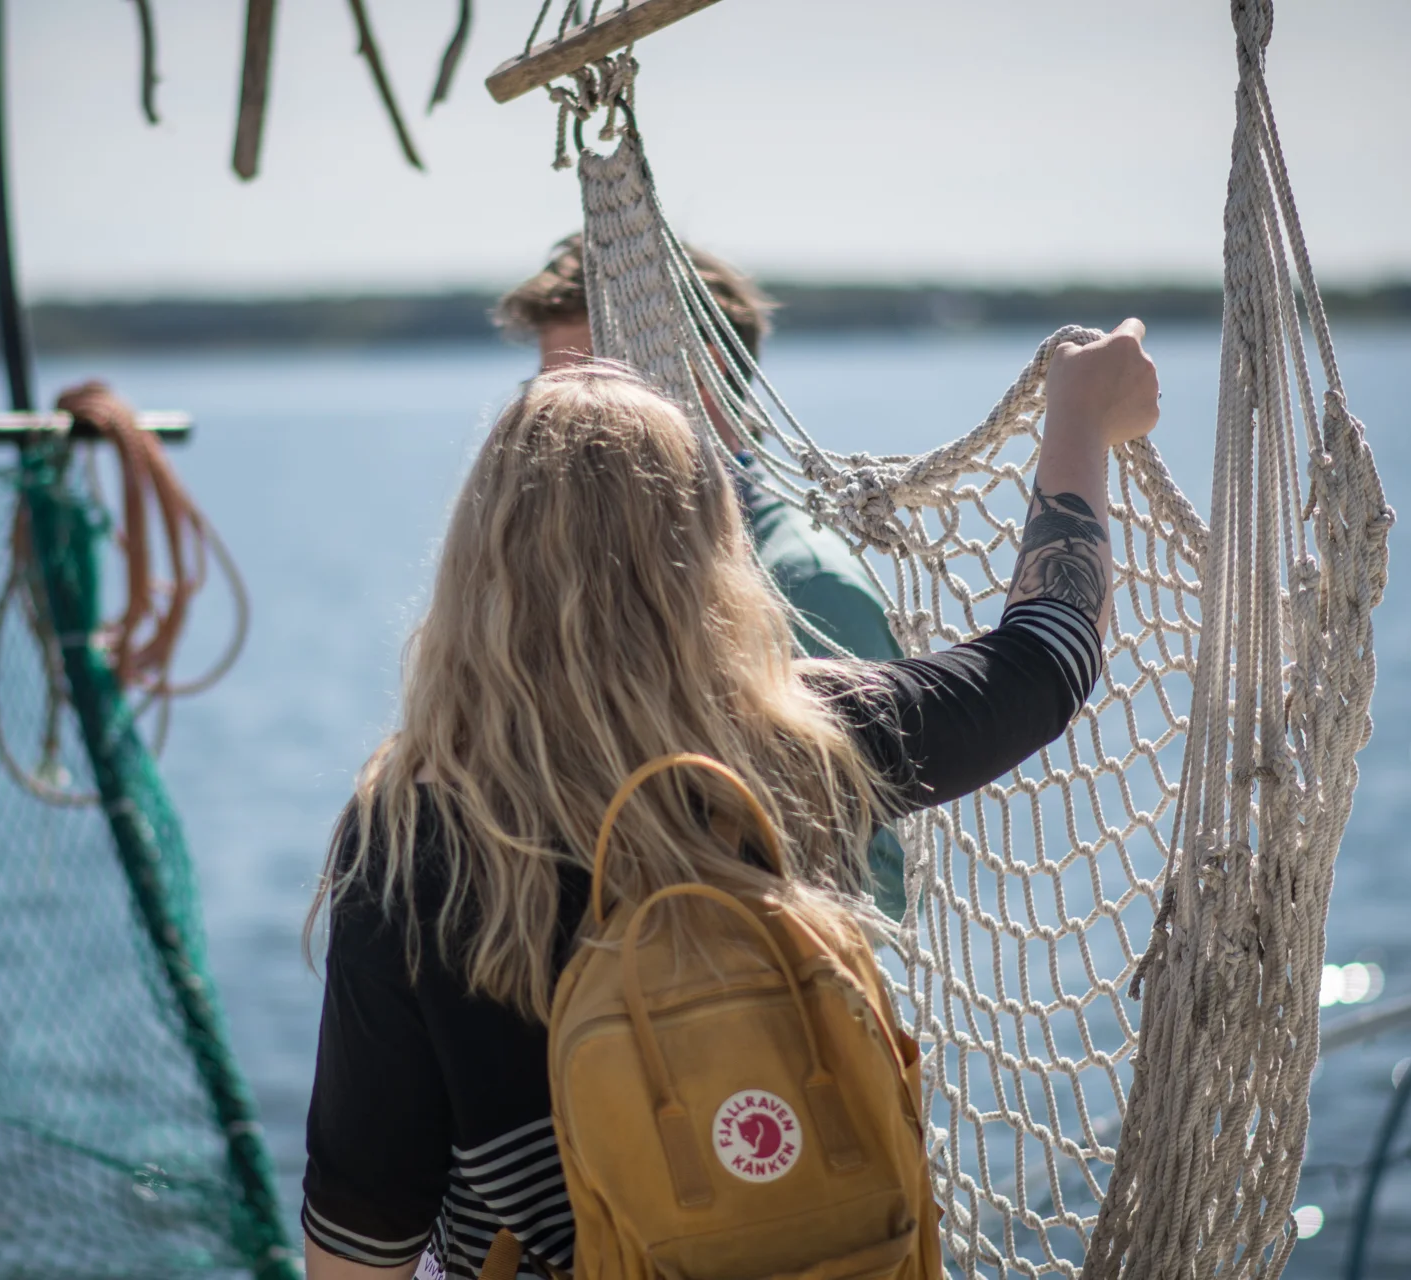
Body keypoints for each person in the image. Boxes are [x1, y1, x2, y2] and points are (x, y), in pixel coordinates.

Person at [301, 321, 1160, 1280]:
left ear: (476, 569)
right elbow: (1044, 660)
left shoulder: (408, 843)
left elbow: (360, 1246)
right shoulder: (804, 744)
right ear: (712, 549)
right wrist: (1079, 420)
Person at [496, 235, 912, 914]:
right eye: (545, 392)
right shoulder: (580, 581)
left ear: (703, 381)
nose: (553, 426)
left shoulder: (804, 586)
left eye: (589, 385)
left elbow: (866, 885)